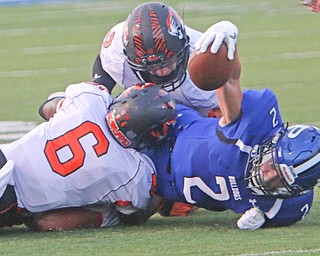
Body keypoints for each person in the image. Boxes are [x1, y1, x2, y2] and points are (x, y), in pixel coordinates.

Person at [107, 46, 320, 229]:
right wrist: (227, 46)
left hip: (161, 187)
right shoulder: (254, 126)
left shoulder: (290, 207)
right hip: (165, 131)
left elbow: (281, 211)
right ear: (274, 143)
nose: (267, 175)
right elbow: (229, 80)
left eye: (279, 181)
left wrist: (264, 219)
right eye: (274, 165)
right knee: (128, 115)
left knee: (126, 215)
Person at [0, 82, 174, 230]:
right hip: (12, 200)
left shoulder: (90, 99)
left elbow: (46, 108)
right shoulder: (134, 173)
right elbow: (130, 216)